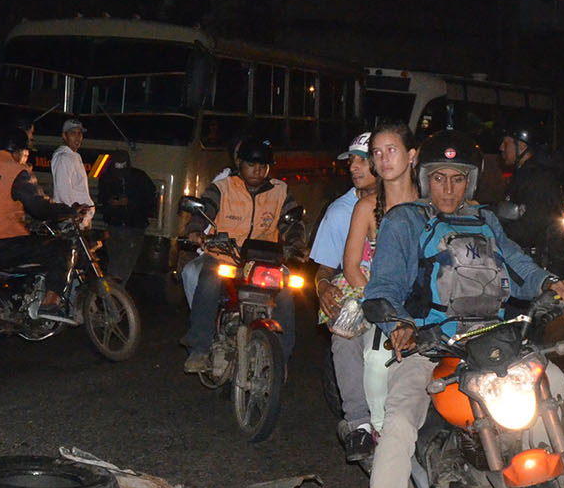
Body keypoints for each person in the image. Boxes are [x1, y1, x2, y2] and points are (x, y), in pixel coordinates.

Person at [355, 131, 564, 488]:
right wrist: (398, 325)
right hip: (430, 347)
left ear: (471, 181)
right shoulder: (404, 221)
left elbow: (517, 264)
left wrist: (549, 284)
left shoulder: (484, 219)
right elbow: (382, 287)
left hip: (493, 343)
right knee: (401, 422)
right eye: (438, 178)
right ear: (424, 179)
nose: (448, 188)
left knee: (552, 387)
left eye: (458, 179)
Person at [182, 136, 306, 373]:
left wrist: (296, 242)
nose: (257, 170)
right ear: (240, 164)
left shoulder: (280, 191)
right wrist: (195, 230)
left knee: (288, 291)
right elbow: (204, 210)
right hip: (224, 255)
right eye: (251, 164)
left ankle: (281, 357)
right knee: (208, 281)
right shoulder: (222, 188)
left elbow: (291, 222)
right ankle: (199, 349)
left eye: (262, 166)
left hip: (265, 260)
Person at [342, 125, 418, 438]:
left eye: (391, 150)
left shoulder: (431, 204)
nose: (384, 159)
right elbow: (351, 268)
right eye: (377, 152)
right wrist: (379, 305)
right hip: (381, 302)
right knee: (373, 358)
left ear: (412, 156)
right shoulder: (366, 208)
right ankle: (374, 429)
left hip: (425, 302)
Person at [310, 132, 376, 454]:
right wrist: (322, 287)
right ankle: (358, 422)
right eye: (351, 160)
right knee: (345, 331)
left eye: (362, 159)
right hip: (360, 296)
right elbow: (325, 269)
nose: (354, 167)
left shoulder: (412, 203)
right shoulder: (341, 211)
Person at [0, 127, 78, 315]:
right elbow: (39, 208)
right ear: (19, 151)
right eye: (26, 153)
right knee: (63, 248)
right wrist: (68, 211)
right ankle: (50, 304)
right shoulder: (15, 170)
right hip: (5, 246)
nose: (27, 158)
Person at [497, 124, 564, 265]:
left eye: (506, 143)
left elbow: (529, 229)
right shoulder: (524, 174)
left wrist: (496, 230)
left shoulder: (537, 178)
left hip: (538, 262)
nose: (501, 148)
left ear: (521, 146)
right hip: (528, 257)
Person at [95, 148, 158, 280]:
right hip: (114, 227)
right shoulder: (106, 178)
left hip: (134, 228)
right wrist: (111, 202)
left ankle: (115, 295)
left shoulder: (140, 177)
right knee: (114, 264)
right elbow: (101, 200)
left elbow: (150, 199)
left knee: (125, 266)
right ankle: (112, 295)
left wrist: (130, 202)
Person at [50, 118, 93, 225]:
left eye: (79, 133)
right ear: (64, 136)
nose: (77, 137)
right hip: (73, 220)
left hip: (81, 218)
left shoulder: (75, 156)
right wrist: (74, 212)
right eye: (72, 133)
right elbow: (63, 189)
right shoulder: (63, 158)